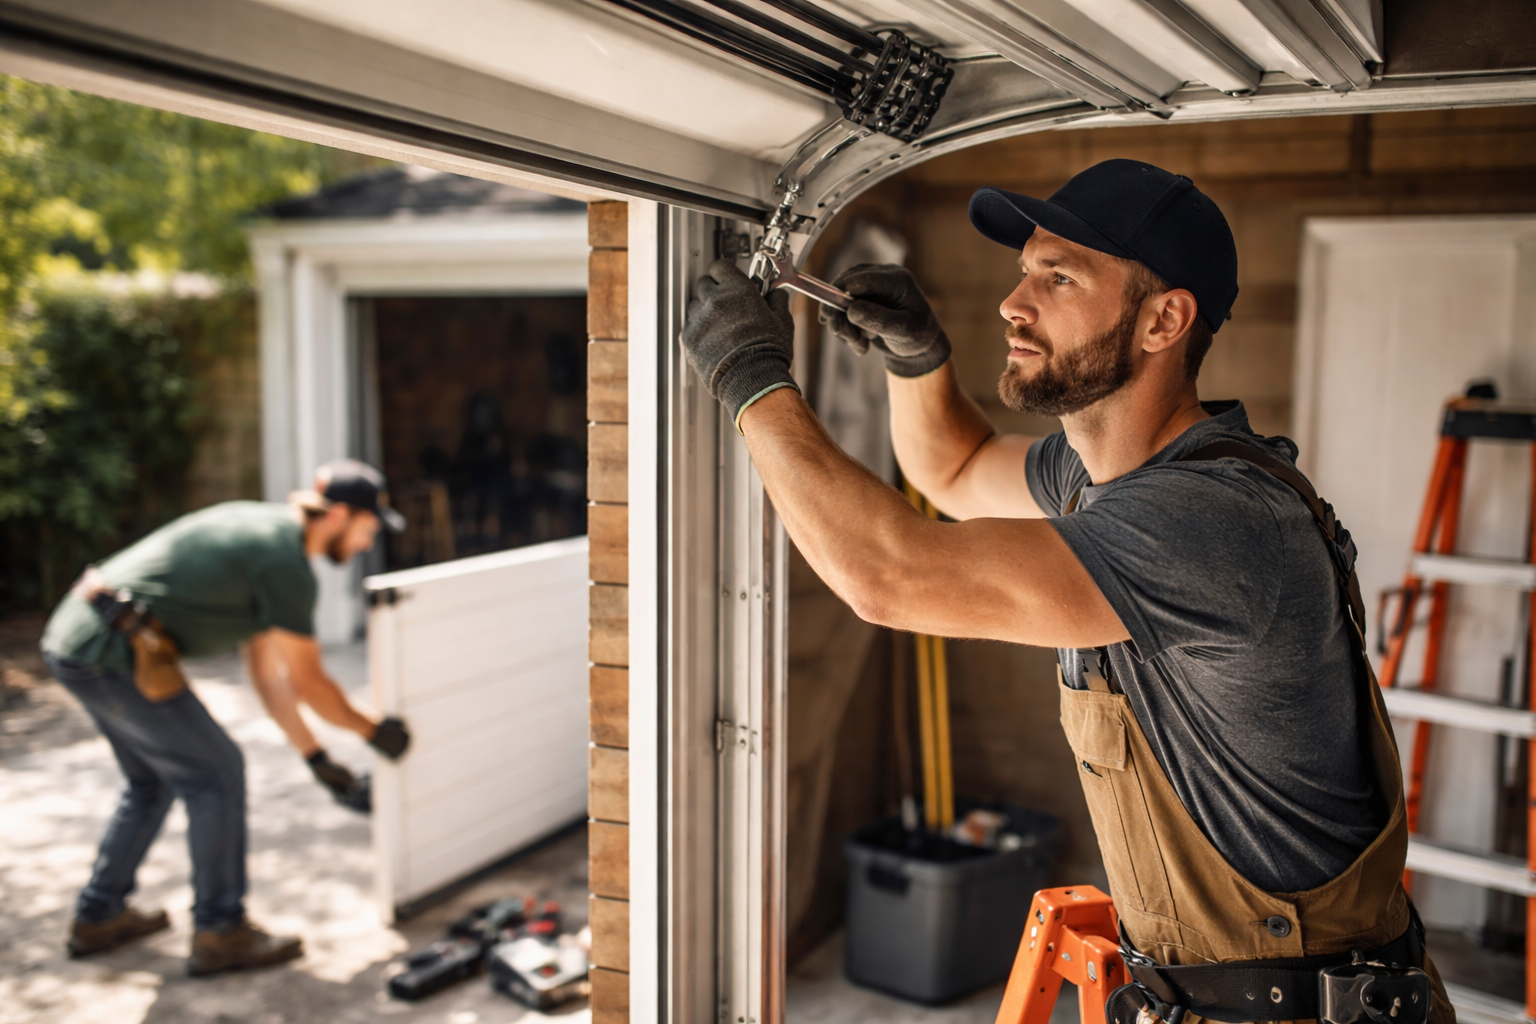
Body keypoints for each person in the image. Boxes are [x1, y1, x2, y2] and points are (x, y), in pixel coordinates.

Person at [680, 160, 1453, 1024]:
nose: (1015, 302)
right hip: (1199, 998)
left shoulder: (1211, 524)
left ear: (1165, 320)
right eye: (1025, 272)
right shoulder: (1105, 474)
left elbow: (888, 575)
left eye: (1058, 277)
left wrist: (750, 376)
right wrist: (917, 358)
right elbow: (958, 468)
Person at [40, 458, 413, 976]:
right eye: (367, 530)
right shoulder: (285, 564)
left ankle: (99, 916)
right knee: (216, 774)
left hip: (81, 639)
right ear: (339, 516)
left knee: (152, 781)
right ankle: (220, 931)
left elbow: (270, 677)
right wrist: (375, 731)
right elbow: (312, 685)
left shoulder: (265, 532)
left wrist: (318, 759)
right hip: (110, 652)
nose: (365, 545)